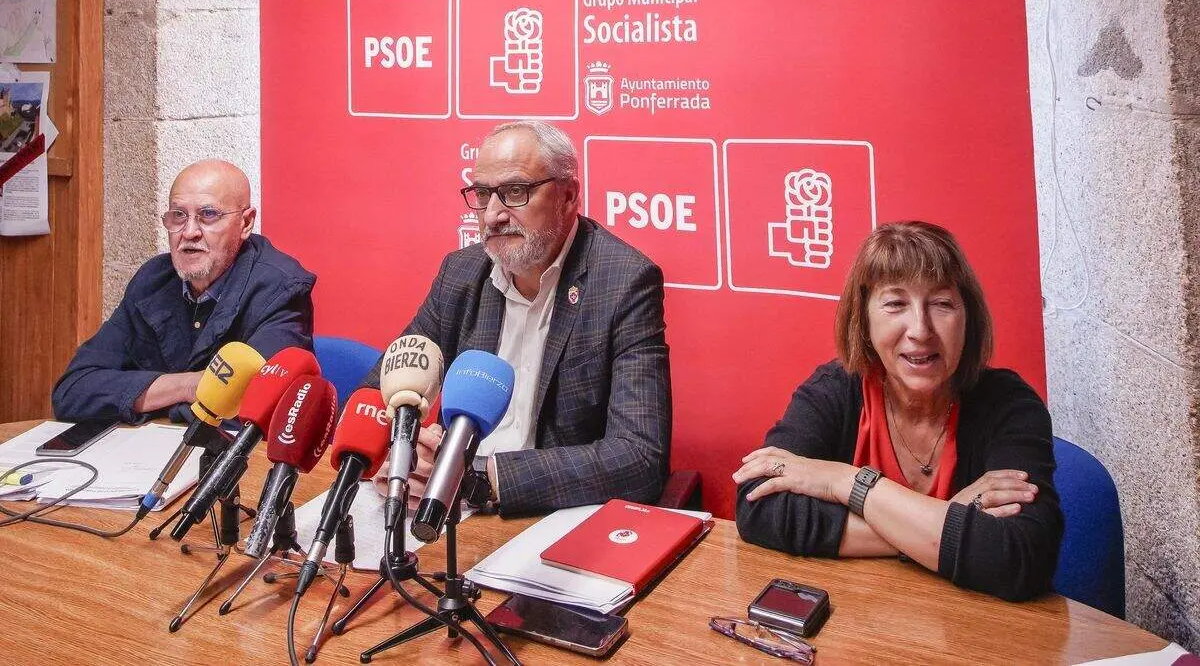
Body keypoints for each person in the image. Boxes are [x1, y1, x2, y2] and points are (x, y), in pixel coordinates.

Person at [733, 221, 1061, 601]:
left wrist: (843, 482)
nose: (920, 329)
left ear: (968, 318)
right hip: (861, 619)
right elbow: (757, 505)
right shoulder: (835, 390)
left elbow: (1022, 556)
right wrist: (941, 519)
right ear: (864, 318)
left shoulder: (1009, 405)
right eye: (895, 304)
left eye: (941, 304)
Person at [361, 120, 671, 517]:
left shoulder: (623, 281)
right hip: (440, 510)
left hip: (543, 512)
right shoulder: (460, 274)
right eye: (482, 193)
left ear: (568, 195)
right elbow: (374, 395)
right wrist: (401, 449)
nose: (492, 215)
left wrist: (479, 478)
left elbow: (639, 457)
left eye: (514, 192)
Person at [52, 159, 316, 424]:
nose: (189, 232)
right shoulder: (153, 280)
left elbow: (253, 414)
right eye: (178, 215)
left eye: (208, 214)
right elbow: (73, 391)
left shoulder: (280, 289)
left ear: (245, 223)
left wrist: (147, 397)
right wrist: (190, 386)